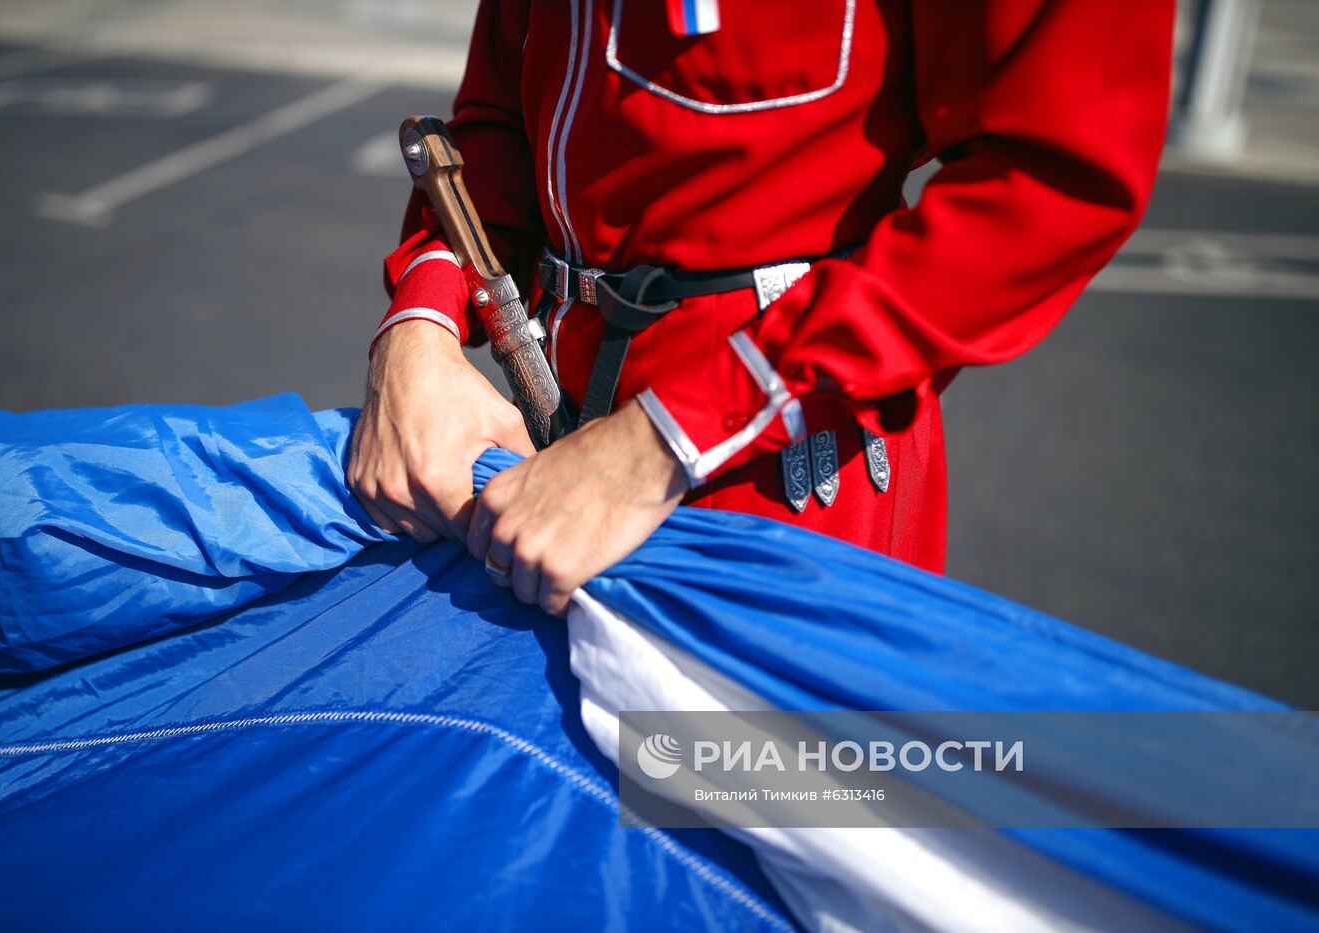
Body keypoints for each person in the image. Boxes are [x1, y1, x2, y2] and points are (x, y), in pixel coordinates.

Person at [348, 0, 1173, 616]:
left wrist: (662, 441)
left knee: (751, 822)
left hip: (787, 487)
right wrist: (420, 324)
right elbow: (504, 108)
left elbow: (1052, 184)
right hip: (543, 450)